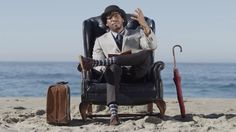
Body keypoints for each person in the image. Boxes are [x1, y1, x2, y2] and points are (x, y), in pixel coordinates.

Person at [79, 5, 165, 125]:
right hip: (113, 74)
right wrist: (111, 64)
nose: (113, 19)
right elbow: (98, 65)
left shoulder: (138, 32)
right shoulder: (100, 40)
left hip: (135, 73)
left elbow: (152, 46)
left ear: (123, 19)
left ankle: (111, 61)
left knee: (146, 53)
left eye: (116, 16)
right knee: (113, 67)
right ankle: (114, 115)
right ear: (107, 24)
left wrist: (145, 25)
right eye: (110, 18)